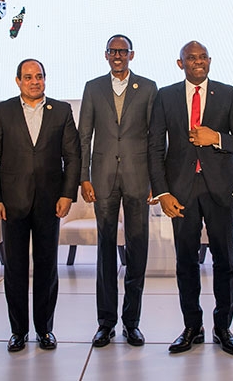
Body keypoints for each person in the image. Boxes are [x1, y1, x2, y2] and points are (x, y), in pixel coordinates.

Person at [147, 41, 233, 355]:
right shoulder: (166, 96)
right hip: (181, 191)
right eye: (191, 58)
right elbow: (155, 148)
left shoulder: (228, 93)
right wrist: (163, 191)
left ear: (210, 61)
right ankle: (192, 327)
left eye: (203, 57)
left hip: (220, 189)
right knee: (186, 261)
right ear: (181, 64)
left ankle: (223, 327)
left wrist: (215, 138)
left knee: (225, 260)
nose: (198, 62)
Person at [0, 59, 81, 352]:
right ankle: (18, 331)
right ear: (18, 81)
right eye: (28, 77)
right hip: (11, 203)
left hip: (50, 203)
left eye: (39, 76)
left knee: (47, 267)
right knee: (14, 268)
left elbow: (73, 157)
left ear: (45, 79)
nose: (34, 81)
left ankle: (44, 329)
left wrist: (67, 194)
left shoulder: (61, 111)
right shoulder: (2, 111)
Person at [78, 34, 157, 347]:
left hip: (138, 178)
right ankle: (106, 322)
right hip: (104, 178)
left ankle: (132, 322)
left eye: (123, 51)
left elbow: (155, 139)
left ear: (132, 55)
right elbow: (85, 136)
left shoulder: (148, 88)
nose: (118, 56)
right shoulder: (93, 87)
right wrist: (84, 177)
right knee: (105, 250)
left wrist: (156, 182)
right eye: (113, 51)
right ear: (106, 54)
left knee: (138, 250)